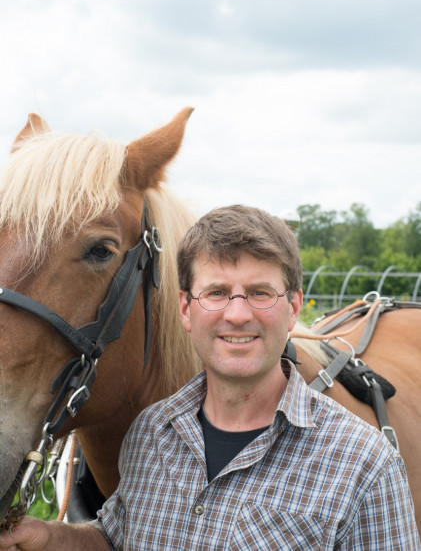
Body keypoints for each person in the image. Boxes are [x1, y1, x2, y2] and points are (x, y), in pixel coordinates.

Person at [0, 204, 420, 550]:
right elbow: (117, 538)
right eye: (216, 293)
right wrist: (49, 535)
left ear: (293, 307)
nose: (237, 314)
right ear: (185, 308)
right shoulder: (151, 434)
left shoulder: (367, 465)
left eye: (260, 293)